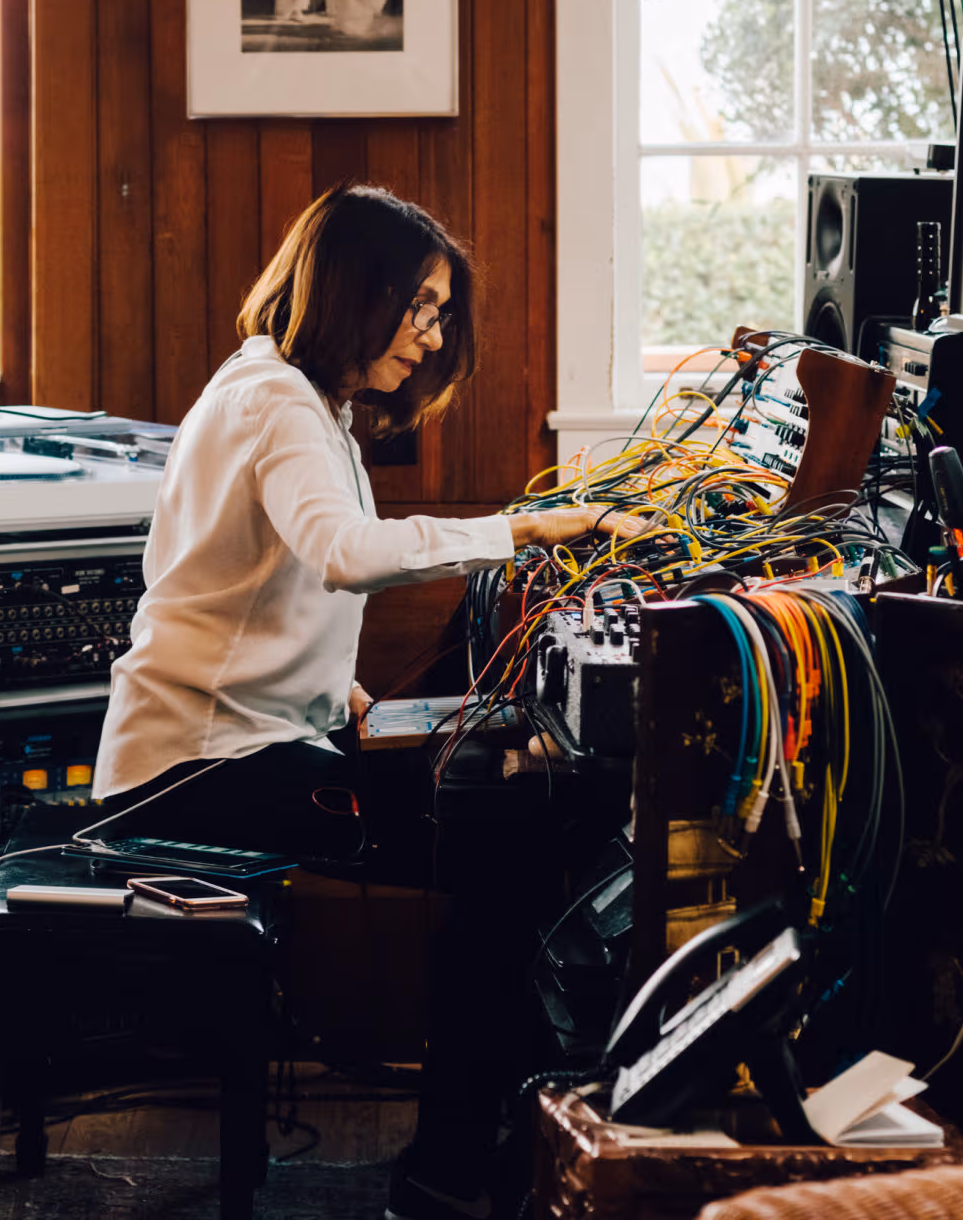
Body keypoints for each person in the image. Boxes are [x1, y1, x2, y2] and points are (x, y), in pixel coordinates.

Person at [89, 183, 623, 1219]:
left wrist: (337, 683)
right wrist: (518, 529)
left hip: (228, 747)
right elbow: (341, 552)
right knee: (504, 848)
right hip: (197, 772)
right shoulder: (277, 403)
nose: (431, 336)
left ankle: (481, 1150)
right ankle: (453, 1173)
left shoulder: (288, 393)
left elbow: (238, 578)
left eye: (439, 312)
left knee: (503, 827)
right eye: (419, 306)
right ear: (353, 290)